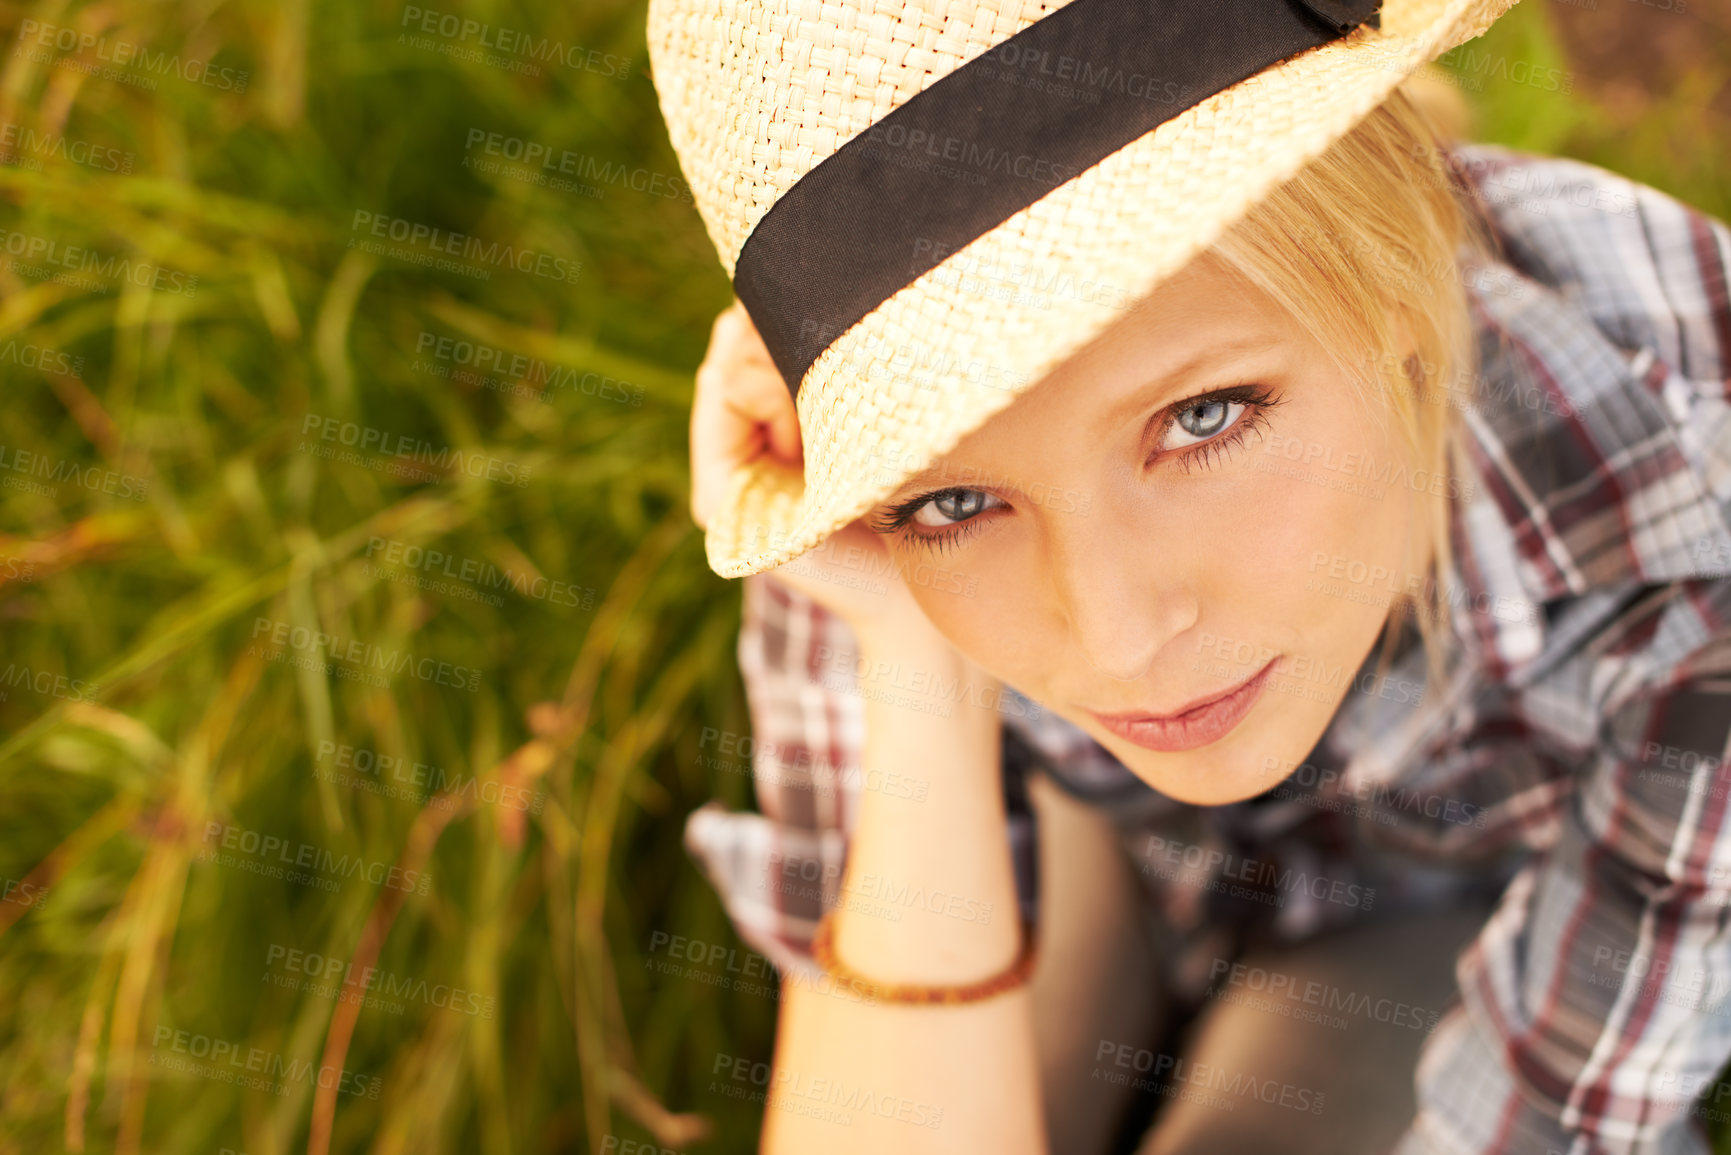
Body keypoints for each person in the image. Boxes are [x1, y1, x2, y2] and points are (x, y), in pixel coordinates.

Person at [648, 0, 1731, 1150]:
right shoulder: (858, 477)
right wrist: (912, 658)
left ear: (1400, 277)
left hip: (1454, 898)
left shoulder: (1696, 486)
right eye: (955, 500)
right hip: (1110, 846)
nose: (1118, 640)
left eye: (1204, 418)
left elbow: (1550, 1119)